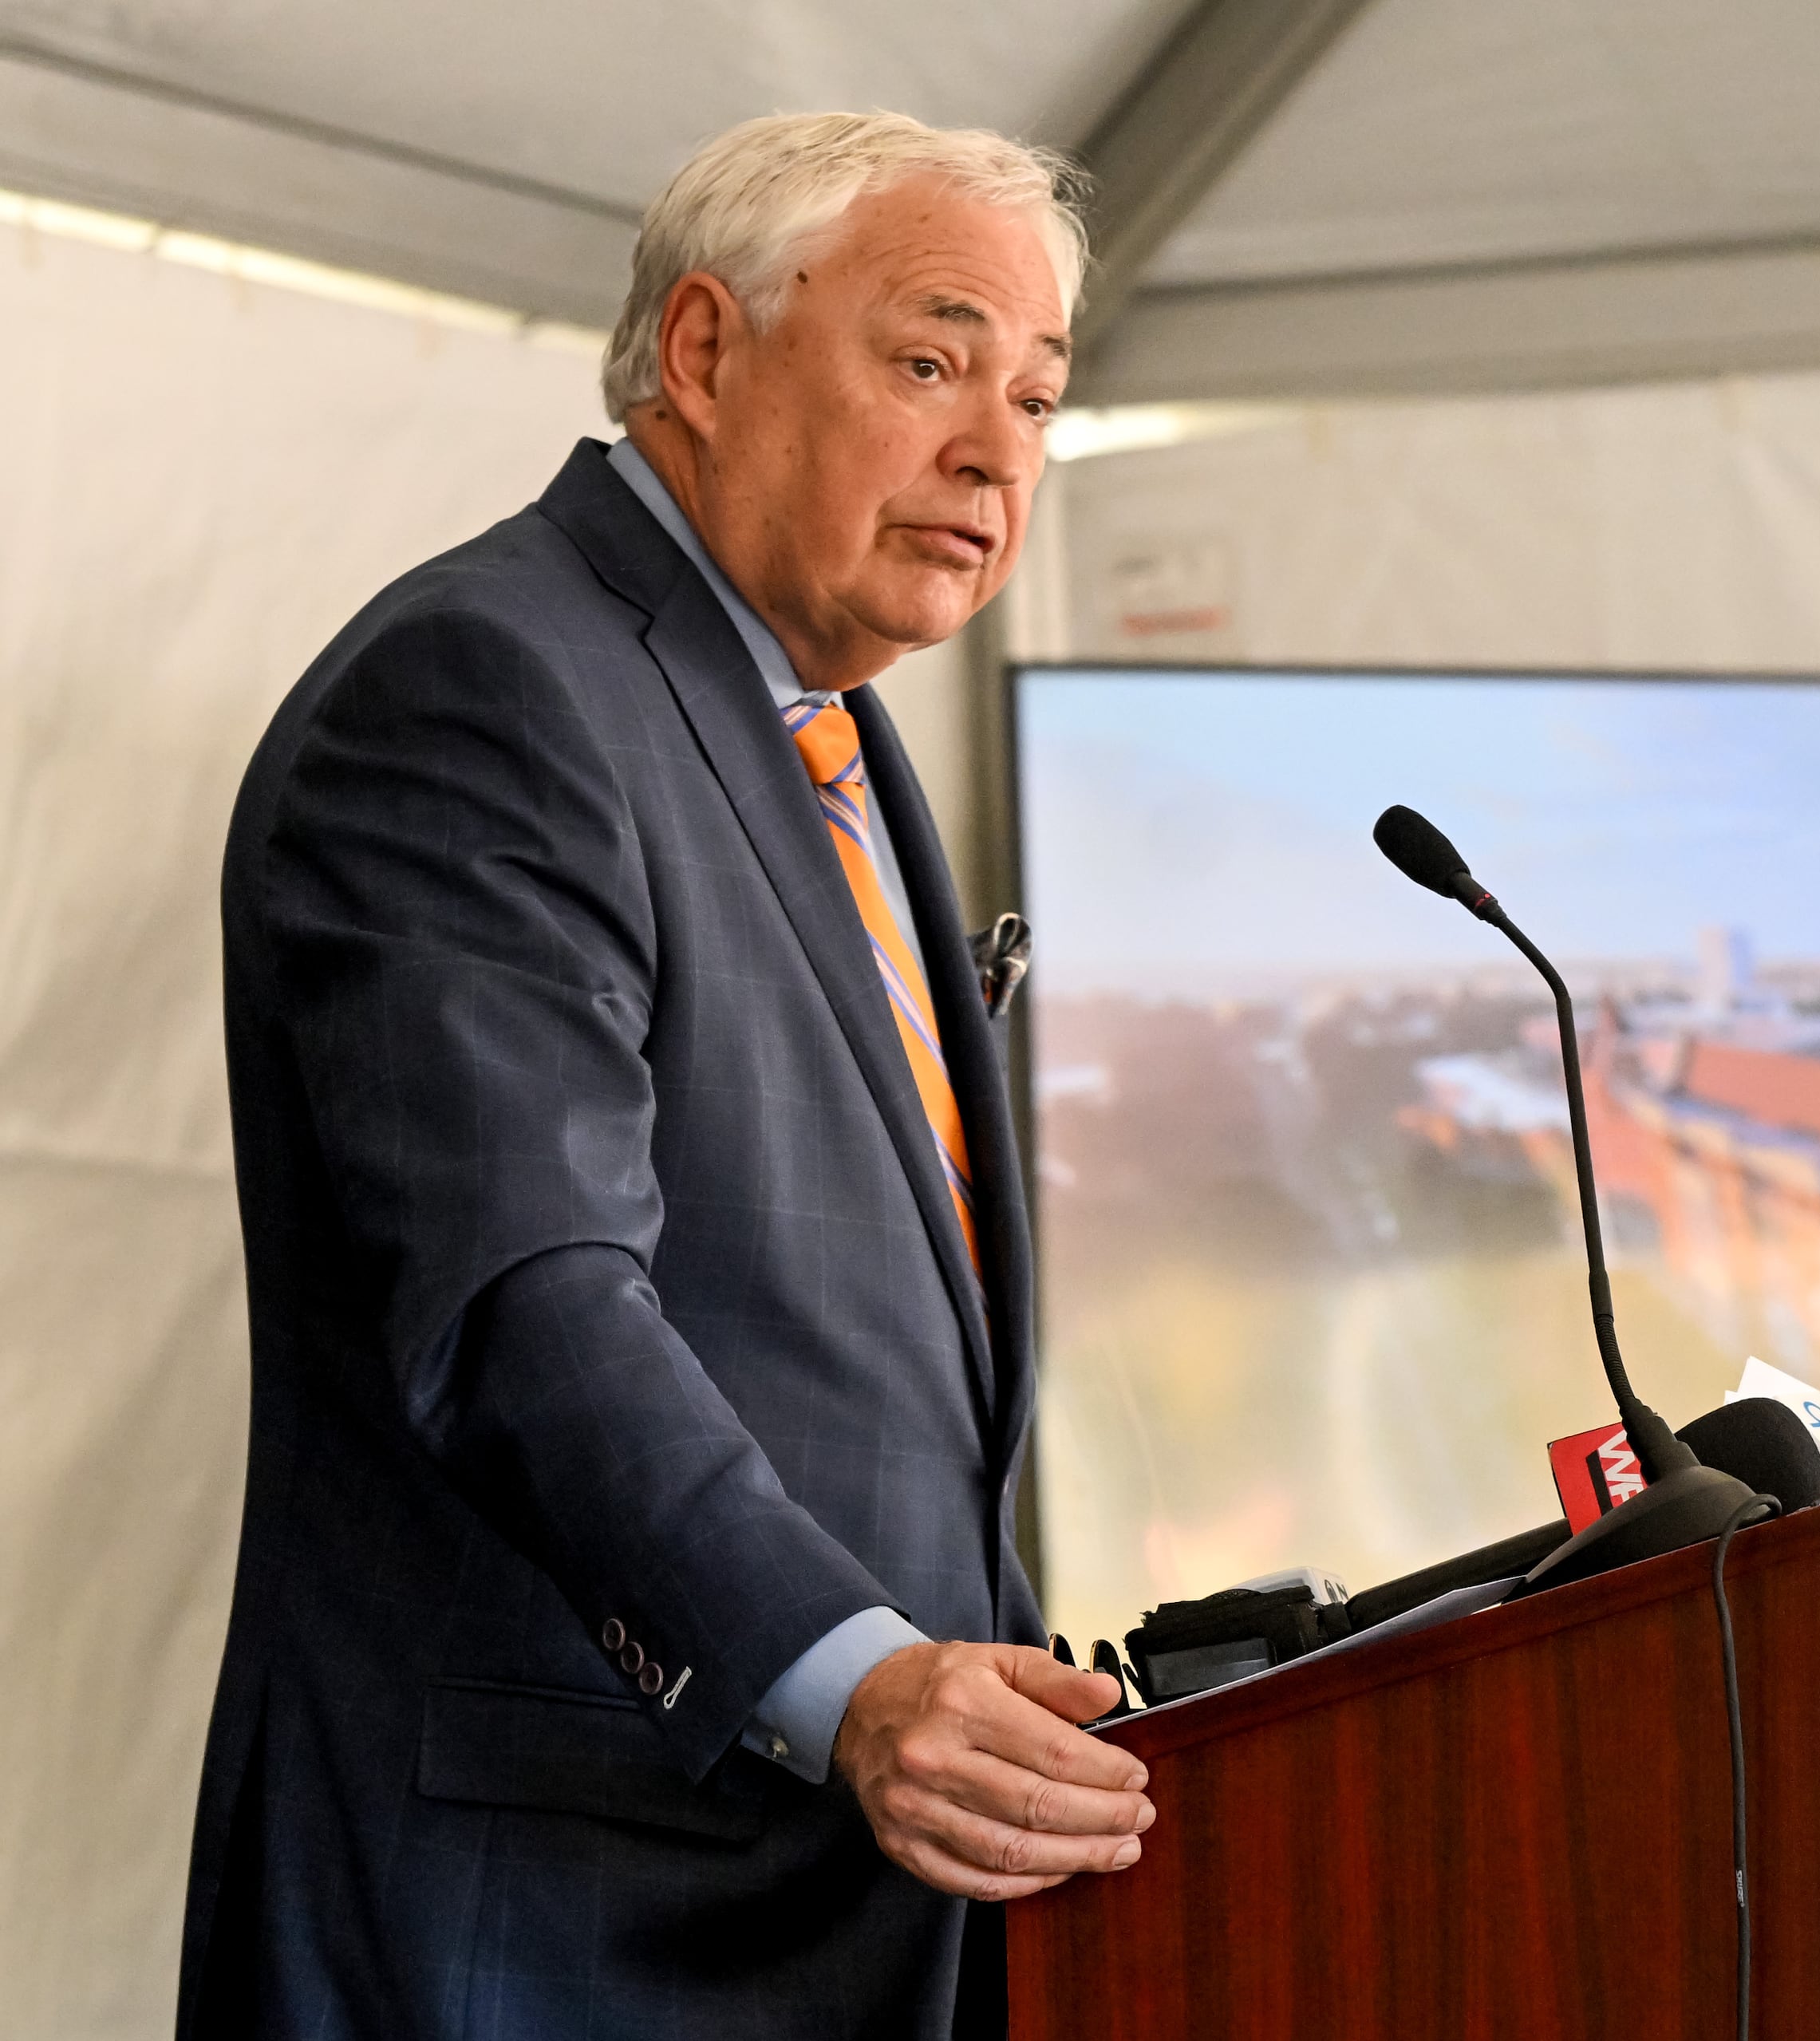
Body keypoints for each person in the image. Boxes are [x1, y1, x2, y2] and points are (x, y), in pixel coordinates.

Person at [179, 113, 1149, 2039]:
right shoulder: (488, 686)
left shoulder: (828, 730)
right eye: (934, 360)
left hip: (826, 1909)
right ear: (705, 352)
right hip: (553, 1915)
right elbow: (528, 1291)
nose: (997, 450)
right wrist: (850, 1672)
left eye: (1037, 398)